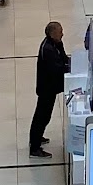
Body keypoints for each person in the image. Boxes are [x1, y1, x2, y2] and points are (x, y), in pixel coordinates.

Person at [29, 21, 68, 158]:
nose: (62, 34)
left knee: (44, 115)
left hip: (51, 86)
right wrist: (68, 68)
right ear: (52, 34)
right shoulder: (47, 49)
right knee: (42, 116)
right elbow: (56, 68)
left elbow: (63, 58)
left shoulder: (57, 44)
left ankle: (37, 138)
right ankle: (35, 147)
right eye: (60, 32)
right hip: (47, 88)